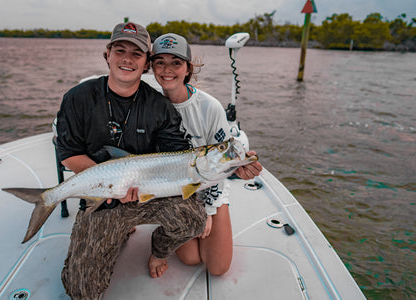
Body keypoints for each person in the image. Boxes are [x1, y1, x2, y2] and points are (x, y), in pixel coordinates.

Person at [56, 23, 207, 299]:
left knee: (194, 218)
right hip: (103, 198)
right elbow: (68, 155)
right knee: (81, 291)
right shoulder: (78, 98)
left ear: (146, 63)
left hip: (147, 194)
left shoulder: (159, 106)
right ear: (107, 55)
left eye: (136, 54)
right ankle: (117, 232)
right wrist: (113, 185)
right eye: (120, 50)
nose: (127, 59)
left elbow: (177, 155)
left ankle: (159, 251)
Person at [151, 33, 263, 275]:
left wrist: (208, 211)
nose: (167, 69)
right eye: (160, 62)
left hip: (210, 189)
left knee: (218, 268)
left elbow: (222, 164)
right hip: (175, 193)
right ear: (152, 67)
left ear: (188, 68)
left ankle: (207, 218)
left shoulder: (209, 107)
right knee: (191, 258)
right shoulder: (150, 106)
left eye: (176, 63)